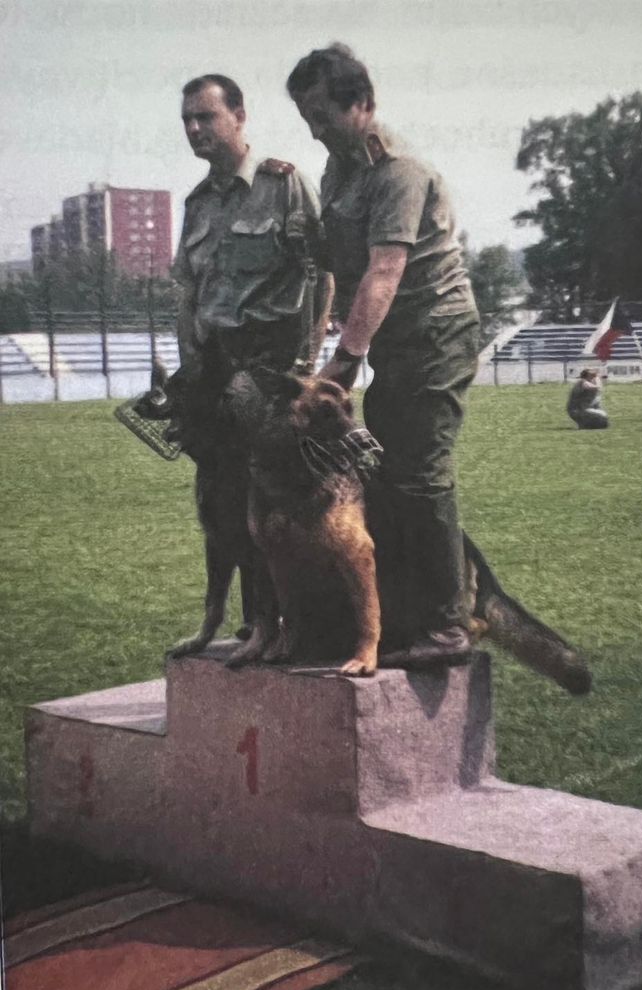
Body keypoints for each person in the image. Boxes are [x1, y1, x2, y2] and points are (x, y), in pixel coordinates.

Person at [286, 45, 484, 657]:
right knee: (388, 471)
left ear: (363, 105)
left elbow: (384, 272)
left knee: (421, 473)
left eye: (323, 116)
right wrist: (293, 213)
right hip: (396, 341)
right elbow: (337, 265)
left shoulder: (399, 173)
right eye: (306, 120)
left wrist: (344, 360)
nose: (316, 133)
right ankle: (410, 612)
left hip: (434, 333)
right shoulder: (338, 172)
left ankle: (448, 624)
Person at [172, 73, 332, 627]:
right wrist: (190, 365)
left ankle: (294, 621)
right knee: (222, 503)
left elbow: (322, 277)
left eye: (206, 117)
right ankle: (248, 621)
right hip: (217, 374)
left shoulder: (282, 185)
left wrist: (309, 368)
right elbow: (187, 291)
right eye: (188, 119)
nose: (195, 128)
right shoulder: (196, 204)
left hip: (271, 372)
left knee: (279, 505)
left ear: (239, 116)